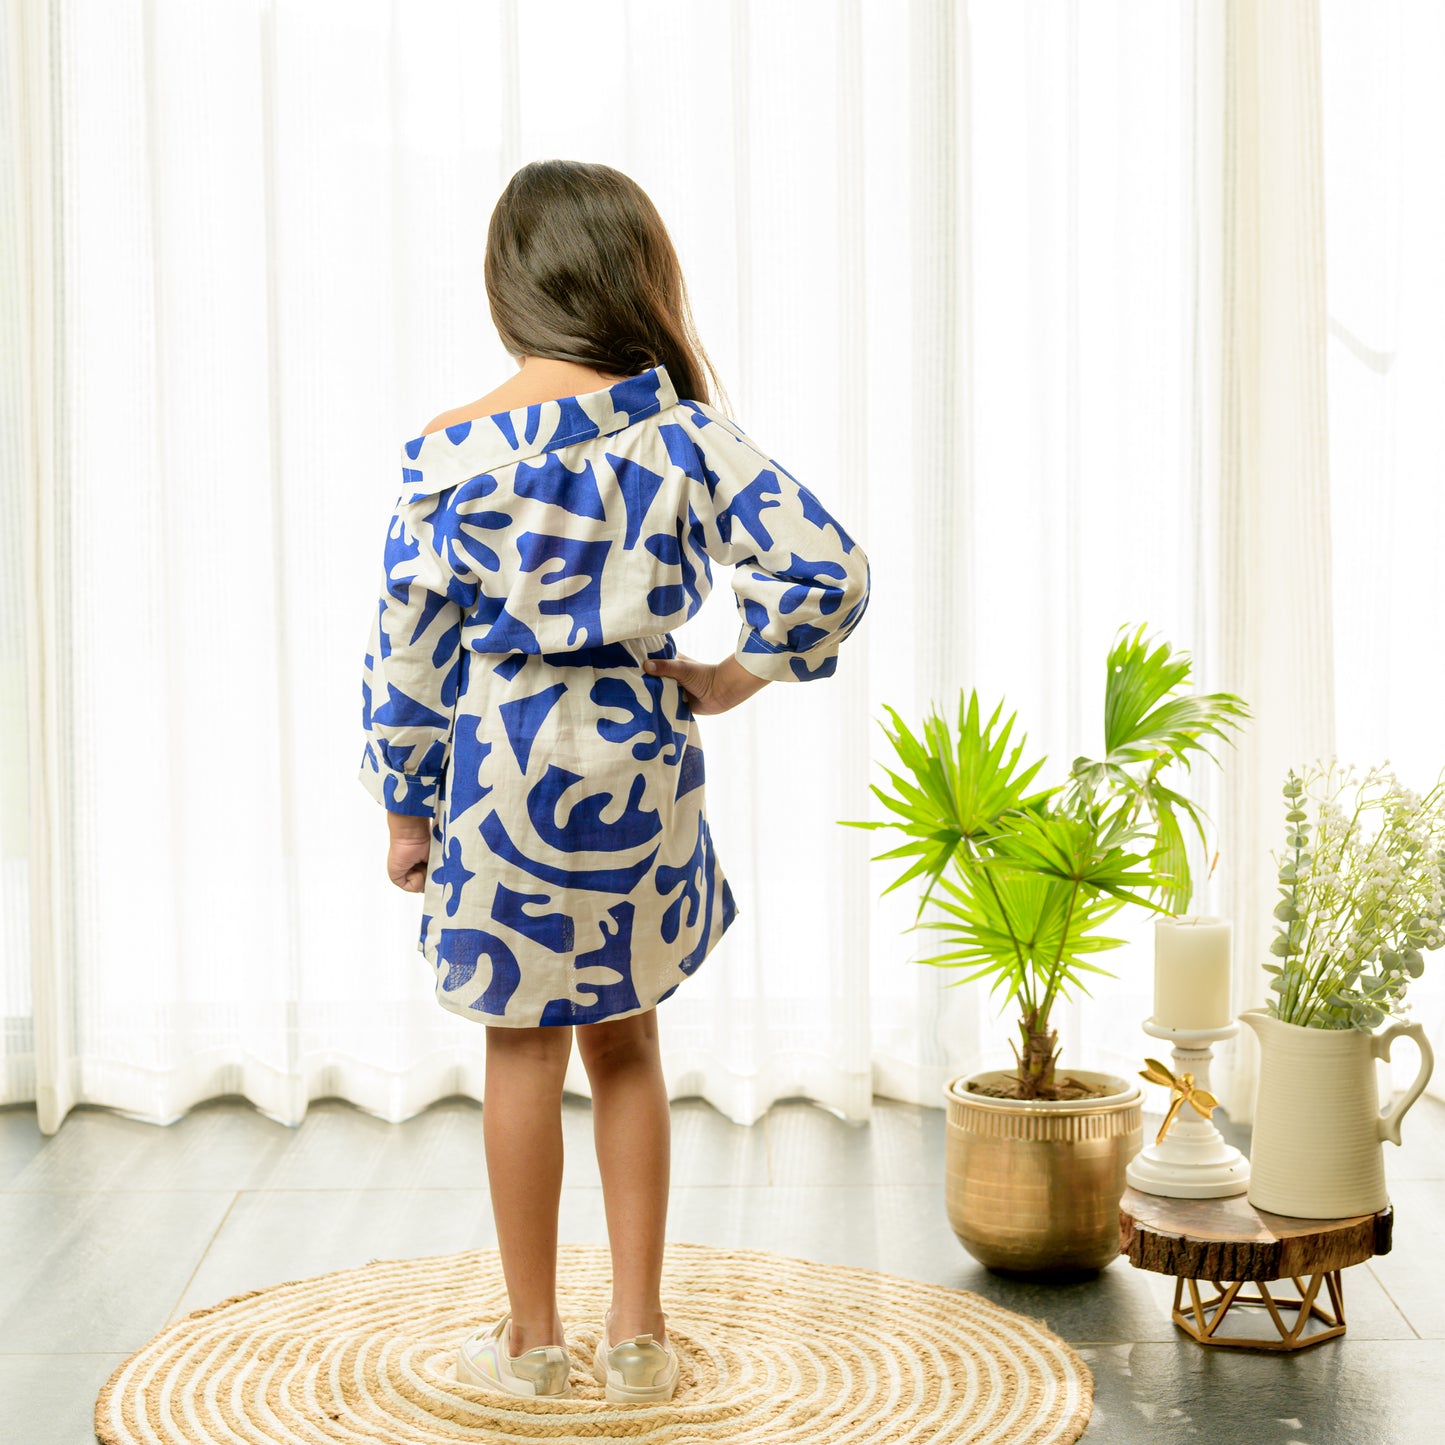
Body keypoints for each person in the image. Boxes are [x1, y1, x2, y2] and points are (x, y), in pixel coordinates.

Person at [357, 158, 870, 1405]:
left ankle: (531, 1343)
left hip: (501, 762)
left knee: (520, 1053)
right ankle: (638, 1334)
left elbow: (407, 646)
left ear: (508, 288)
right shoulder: (683, 432)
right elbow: (827, 570)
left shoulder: (445, 453)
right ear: (634, 278)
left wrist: (404, 802)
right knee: (628, 1041)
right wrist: (732, 675)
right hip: (639, 751)